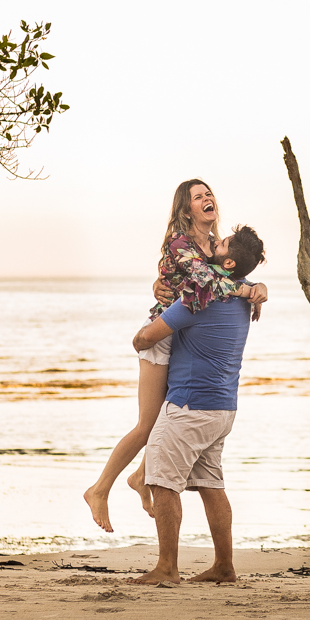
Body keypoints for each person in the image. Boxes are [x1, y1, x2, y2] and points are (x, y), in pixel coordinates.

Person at [83, 180, 268, 532]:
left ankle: (140, 478)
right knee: (148, 424)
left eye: (209, 194)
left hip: (188, 339)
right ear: (187, 210)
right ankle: (99, 489)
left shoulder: (219, 245)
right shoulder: (179, 243)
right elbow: (207, 282)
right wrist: (247, 290)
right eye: (198, 197)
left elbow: (234, 268)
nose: (206, 199)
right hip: (163, 333)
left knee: (167, 419)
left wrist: (260, 287)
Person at [128, 224, 266, 585]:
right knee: (210, 484)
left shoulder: (201, 298)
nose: (212, 245)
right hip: (223, 407)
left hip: (190, 406)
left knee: (162, 482)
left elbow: (144, 340)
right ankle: (224, 566)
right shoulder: (243, 296)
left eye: (219, 245)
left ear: (228, 260)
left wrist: (158, 317)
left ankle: (167, 568)